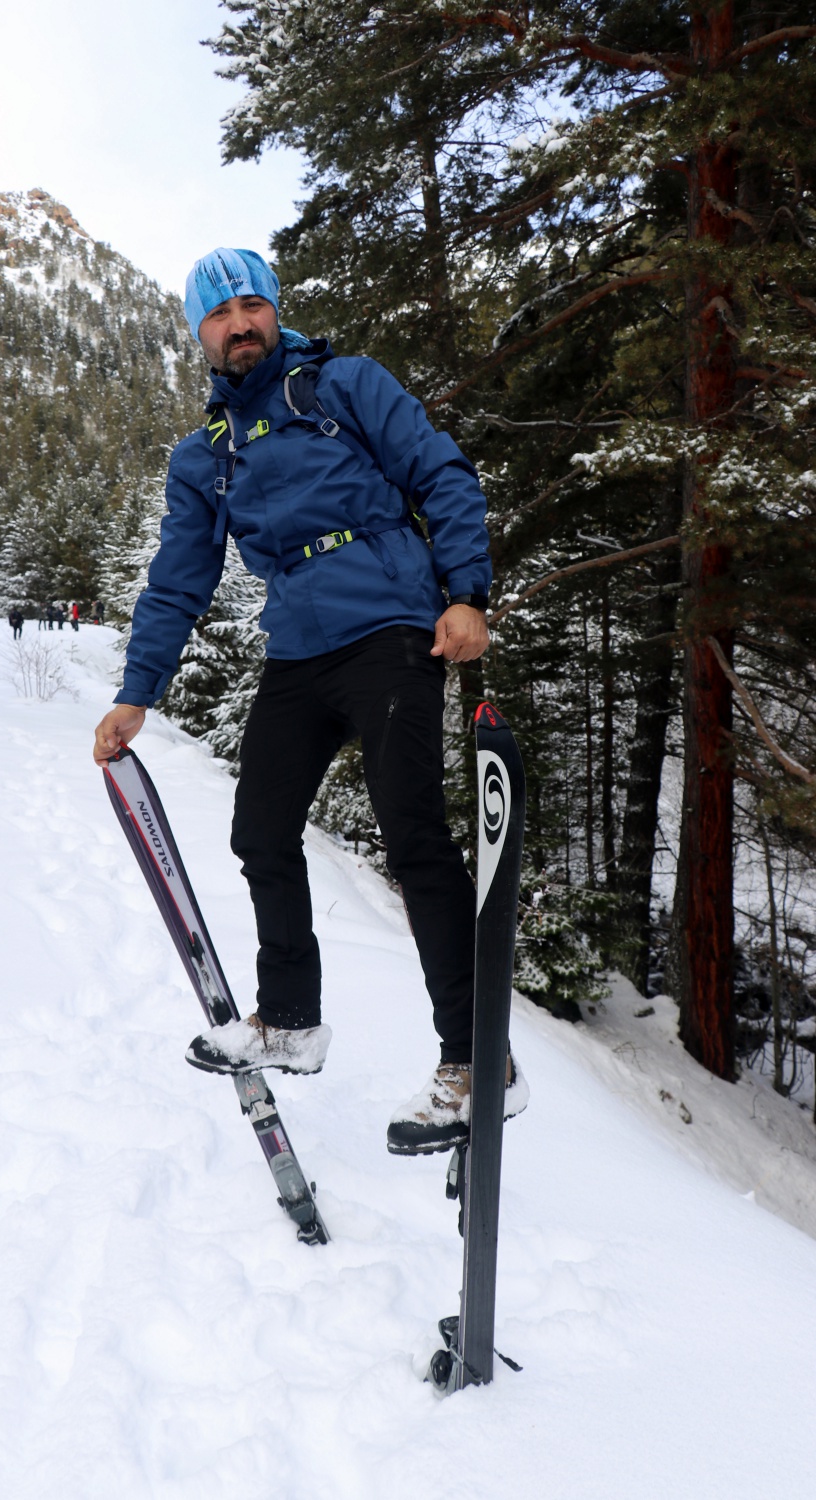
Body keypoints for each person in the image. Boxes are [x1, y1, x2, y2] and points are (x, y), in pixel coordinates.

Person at [93, 248, 527, 1154]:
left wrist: (466, 594)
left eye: (253, 304)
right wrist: (138, 694)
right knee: (259, 831)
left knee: (412, 834)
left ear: (275, 312)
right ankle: (290, 1020)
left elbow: (440, 473)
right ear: (200, 336)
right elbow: (178, 582)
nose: (240, 322)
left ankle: (479, 1061)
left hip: (391, 630)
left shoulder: (343, 385)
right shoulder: (206, 455)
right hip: (296, 649)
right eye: (220, 314)